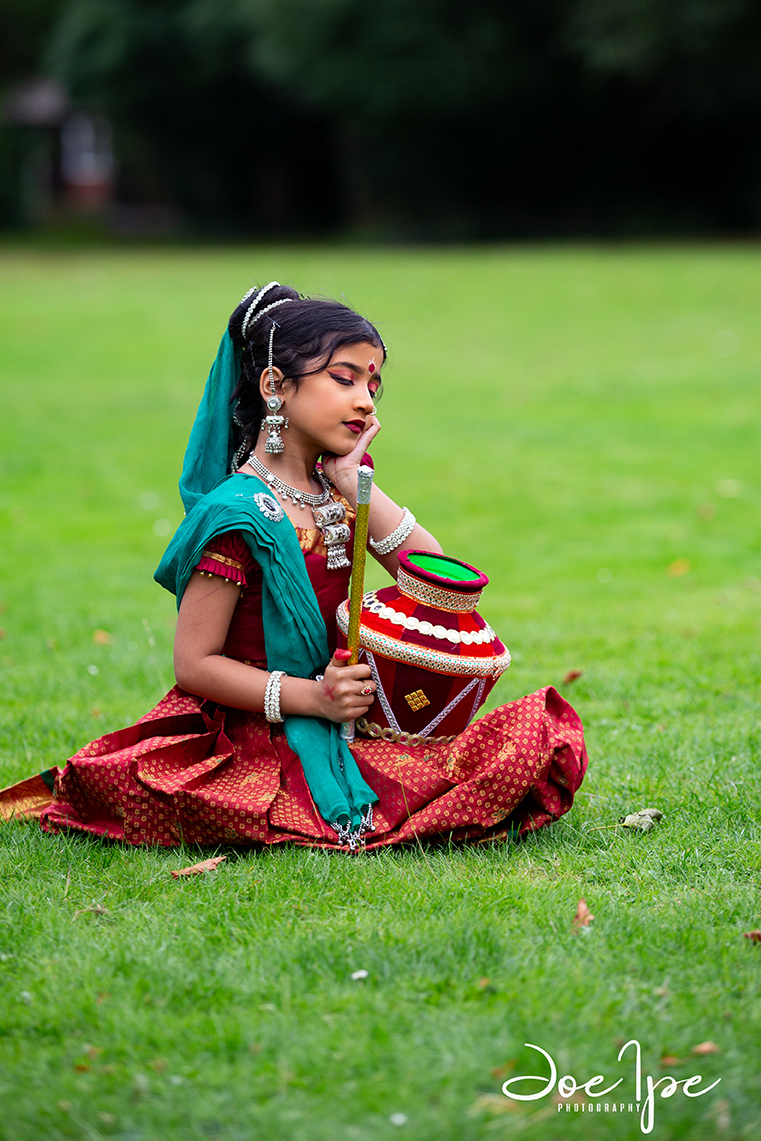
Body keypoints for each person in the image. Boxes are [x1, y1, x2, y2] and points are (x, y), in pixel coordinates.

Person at [0, 283, 587, 850]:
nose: (366, 400)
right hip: (261, 722)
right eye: (344, 378)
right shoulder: (237, 514)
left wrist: (358, 488)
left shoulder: (340, 487)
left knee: (536, 739)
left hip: (354, 711)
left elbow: (438, 581)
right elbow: (194, 664)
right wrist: (315, 700)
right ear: (275, 386)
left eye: (374, 384)